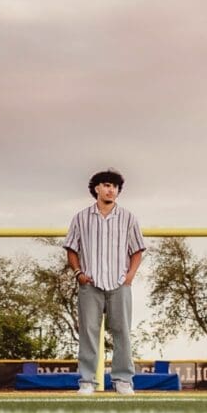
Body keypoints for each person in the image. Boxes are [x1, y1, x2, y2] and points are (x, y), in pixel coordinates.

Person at [63, 168, 145, 394]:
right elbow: (71, 248)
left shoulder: (128, 218)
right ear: (97, 188)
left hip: (119, 284)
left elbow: (137, 250)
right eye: (107, 185)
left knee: (122, 332)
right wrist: (78, 274)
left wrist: (129, 277)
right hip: (90, 284)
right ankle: (87, 381)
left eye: (115, 186)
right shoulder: (81, 217)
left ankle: (123, 380)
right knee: (88, 333)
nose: (111, 190)